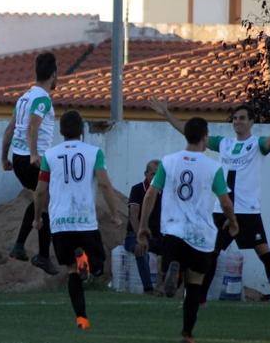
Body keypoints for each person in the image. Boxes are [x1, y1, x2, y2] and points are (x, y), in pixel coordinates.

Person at [150, 98, 270, 310]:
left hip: (247, 212)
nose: (237, 122)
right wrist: (167, 115)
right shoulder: (224, 144)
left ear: (251, 122)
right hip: (223, 210)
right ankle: (200, 299)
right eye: (235, 119)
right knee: (211, 254)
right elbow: (190, 133)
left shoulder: (257, 144)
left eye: (242, 118)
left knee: (264, 253)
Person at [137, 117, 238, 343]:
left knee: (176, 258)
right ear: (205, 137)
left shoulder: (168, 161)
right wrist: (233, 222)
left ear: (186, 136)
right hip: (201, 235)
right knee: (195, 285)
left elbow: (151, 194)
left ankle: (175, 267)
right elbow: (225, 202)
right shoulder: (213, 167)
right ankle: (187, 333)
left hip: (174, 230)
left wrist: (143, 226)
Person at [33, 110, 123, 330]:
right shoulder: (94, 152)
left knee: (72, 271)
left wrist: (37, 218)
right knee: (99, 263)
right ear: (82, 130)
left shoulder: (49, 156)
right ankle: (86, 259)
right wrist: (114, 213)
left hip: (60, 223)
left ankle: (82, 318)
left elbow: (40, 191)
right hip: (84, 220)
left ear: (61, 131)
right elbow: (104, 184)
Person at [0, 52, 58, 275]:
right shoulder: (42, 99)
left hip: (18, 158)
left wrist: (4, 158)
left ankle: (20, 246)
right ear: (53, 75)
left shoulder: (23, 98)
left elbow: (10, 129)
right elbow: (34, 126)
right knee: (46, 203)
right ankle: (42, 255)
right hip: (34, 159)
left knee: (40, 199)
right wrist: (34, 154)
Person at [125, 159, 162, 294]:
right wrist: (139, 236)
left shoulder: (165, 192)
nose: (156, 178)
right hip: (135, 234)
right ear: (146, 174)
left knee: (173, 252)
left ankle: (163, 288)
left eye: (159, 174)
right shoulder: (137, 189)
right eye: (153, 174)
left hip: (158, 235)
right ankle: (148, 289)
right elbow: (133, 216)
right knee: (140, 250)